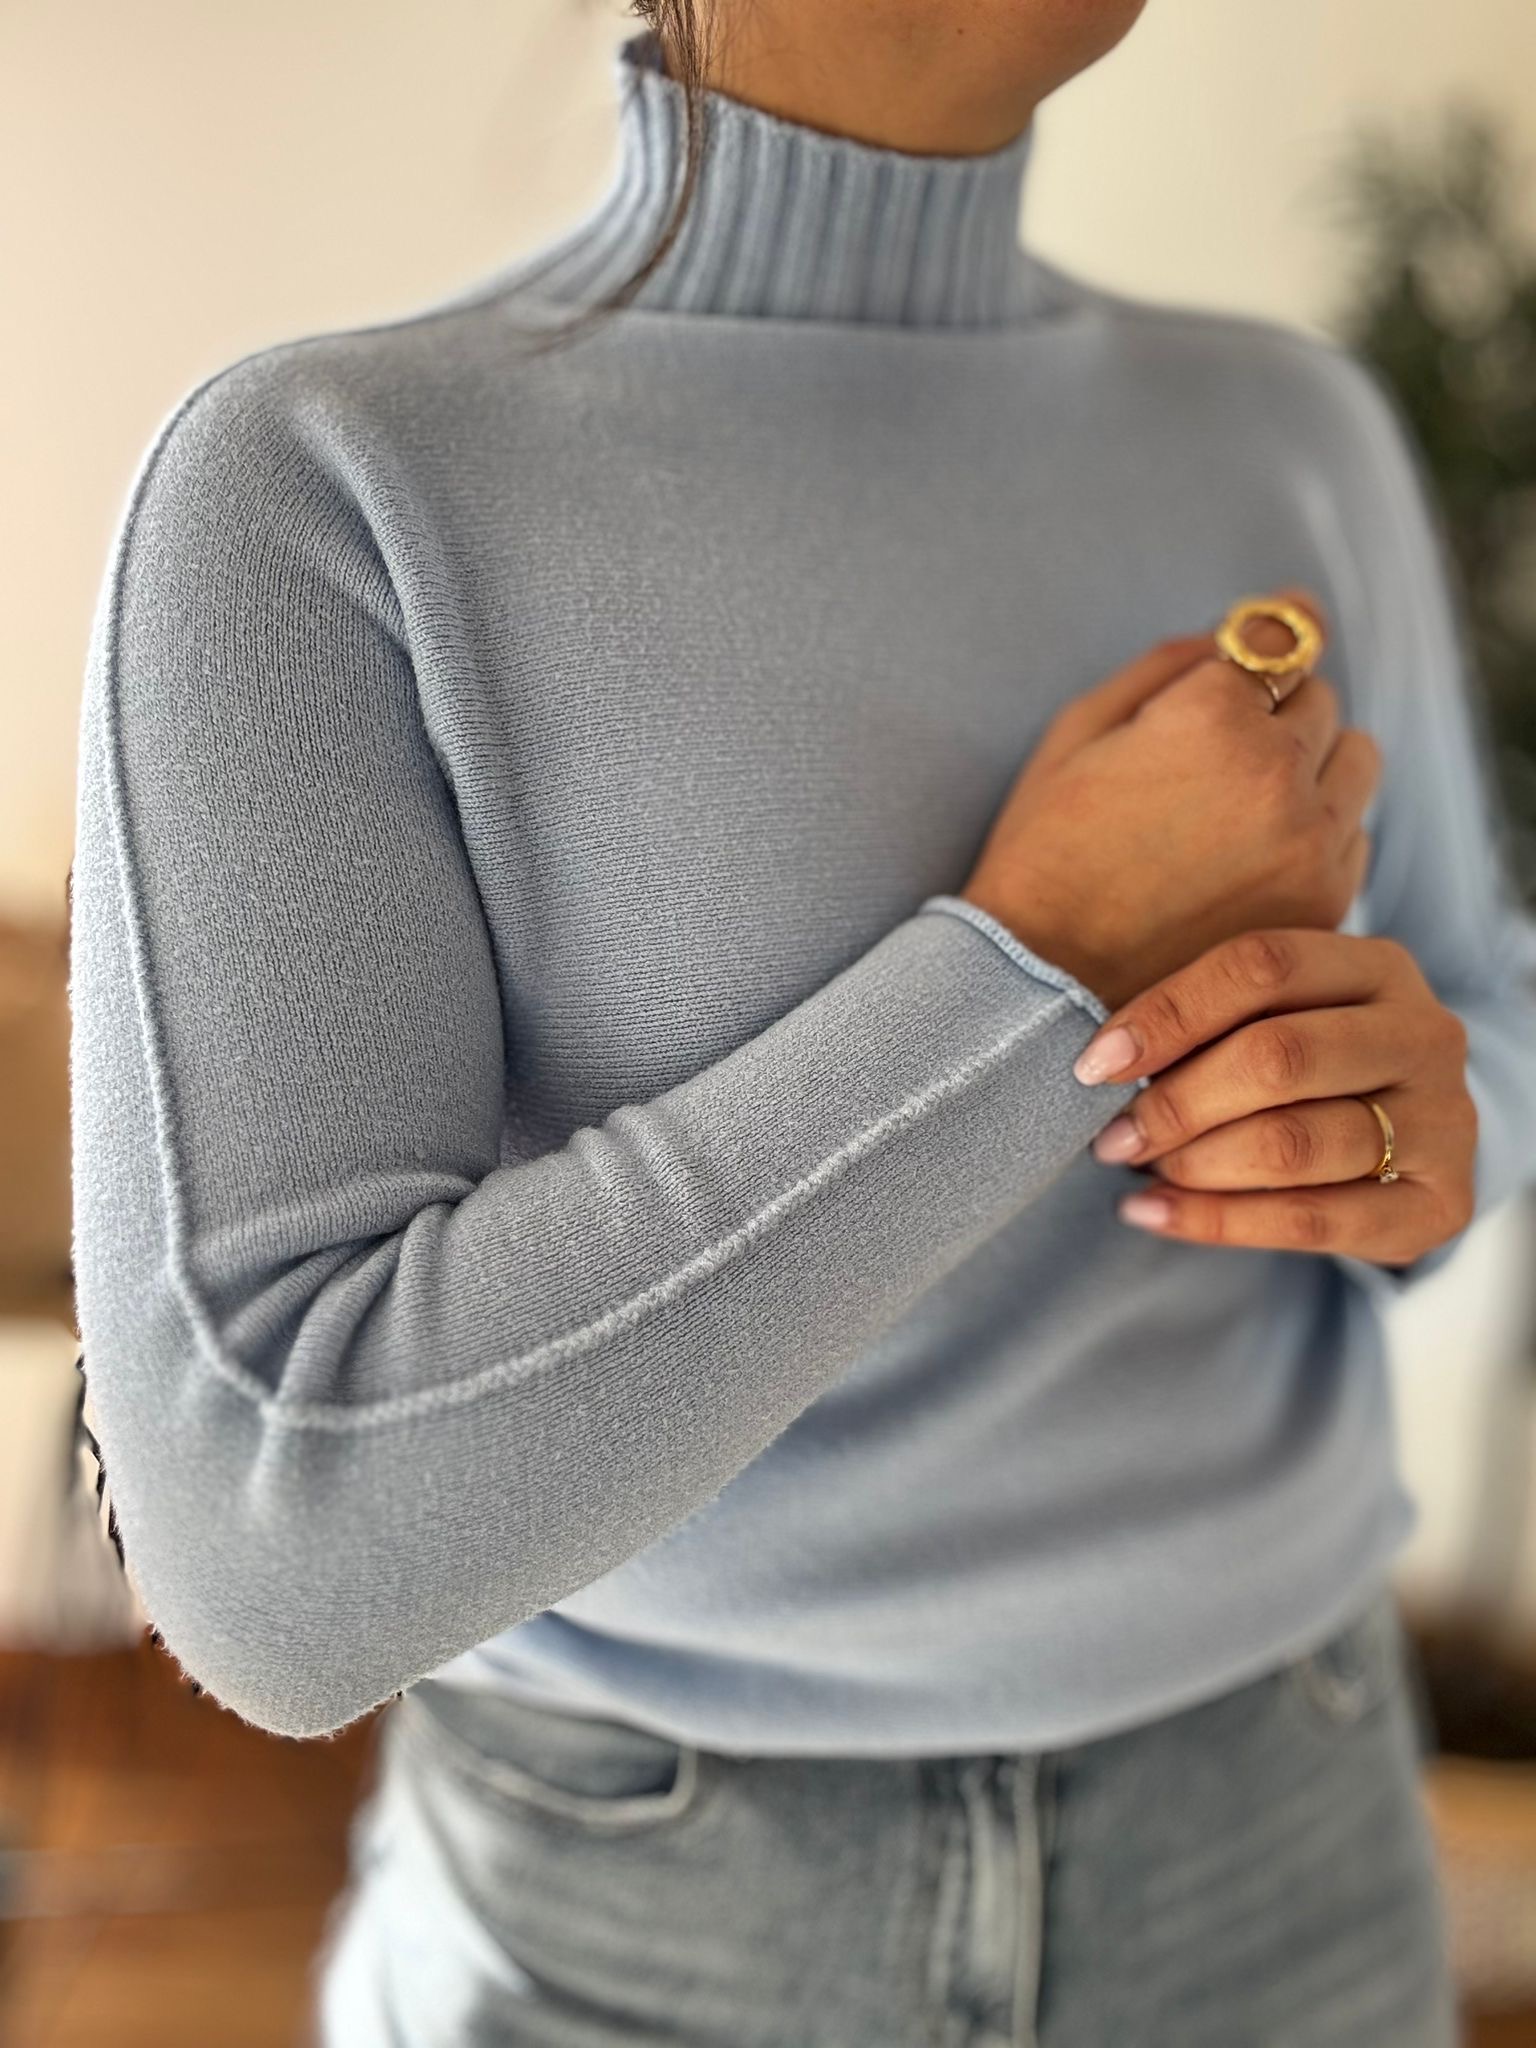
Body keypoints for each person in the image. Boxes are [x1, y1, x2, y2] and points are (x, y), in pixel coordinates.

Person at [66, 0, 1536, 2040]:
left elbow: (1482, 1001)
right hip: (640, 1924)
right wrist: (1041, 956)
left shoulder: (1295, 432)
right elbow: (275, 1564)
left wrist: (1432, 1132)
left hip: (1289, 1847)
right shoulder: (323, 489)